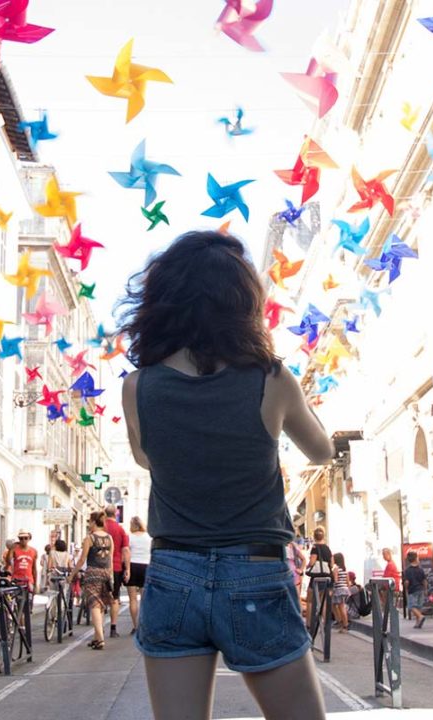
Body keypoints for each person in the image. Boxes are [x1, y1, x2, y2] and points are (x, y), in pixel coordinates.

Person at [119, 231, 335, 719]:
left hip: (174, 570)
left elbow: (146, 459)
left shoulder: (138, 387)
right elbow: (321, 450)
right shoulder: (271, 378)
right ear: (243, 303)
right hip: (255, 570)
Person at [68, 511, 114, 650]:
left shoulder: (90, 538)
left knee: (94, 605)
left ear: (94, 522)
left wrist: (72, 574)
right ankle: (96, 637)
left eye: (89, 521)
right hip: (106, 573)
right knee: (101, 605)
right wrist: (110, 575)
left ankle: (100, 639)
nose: (89, 524)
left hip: (93, 573)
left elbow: (82, 559)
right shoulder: (109, 538)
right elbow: (110, 559)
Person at [103, 504, 130, 639]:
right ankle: (113, 628)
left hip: (100, 566)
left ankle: (99, 628)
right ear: (116, 514)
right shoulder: (120, 530)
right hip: (116, 567)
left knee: (100, 599)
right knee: (114, 598)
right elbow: (125, 550)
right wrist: (128, 569)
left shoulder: (101, 528)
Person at [124, 516, 151, 635]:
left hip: (132, 566)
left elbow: (126, 553)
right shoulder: (149, 537)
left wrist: (127, 569)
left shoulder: (129, 537)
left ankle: (135, 626)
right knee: (145, 599)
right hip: (146, 567)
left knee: (133, 599)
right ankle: (144, 625)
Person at [6, 529, 38, 595]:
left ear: (29, 539)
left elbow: (34, 568)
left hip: (29, 581)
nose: (23, 540)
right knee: (16, 599)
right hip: (16, 580)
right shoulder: (15, 550)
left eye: (25, 538)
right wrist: (11, 549)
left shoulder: (33, 551)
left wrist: (35, 584)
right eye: (21, 538)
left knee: (28, 600)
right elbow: (8, 562)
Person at [404, 551, 429, 629]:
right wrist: (425, 589)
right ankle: (418, 623)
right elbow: (424, 581)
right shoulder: (420, 569)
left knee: (411, 606)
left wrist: (406, 588)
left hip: (412, 590)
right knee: (418, 607)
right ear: (416, 559)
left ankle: (420, 617)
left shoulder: (407, 570)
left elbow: (407, 582)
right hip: (421, 589)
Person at [331, 552, 351, 632]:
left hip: (338, 589)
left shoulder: (336, 569)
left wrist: (332, 588)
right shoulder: (345, 570)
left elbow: (335, 580)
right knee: (338, 606)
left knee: (340, 606)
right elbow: (348, 582)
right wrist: (348, 590)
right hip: (345, 589)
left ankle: (344, 624)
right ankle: (341, 622)